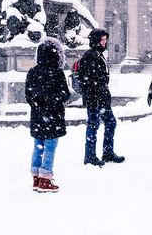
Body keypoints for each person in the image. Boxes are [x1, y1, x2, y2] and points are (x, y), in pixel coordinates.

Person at [25, 37, 71, 192]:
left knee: (38, 146)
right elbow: (64, 95)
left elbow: (28, 96)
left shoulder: (32, 72)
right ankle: (45, 178)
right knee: (50, 146)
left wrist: (38, 103)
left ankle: (36, 177)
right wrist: (52, 100)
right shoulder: (57, 73)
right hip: (53, 115)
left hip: (37, 115)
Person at [78, 28, 125, 166]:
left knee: (110, 123)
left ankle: (107, 152)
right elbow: (90, 79)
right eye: (102, 40)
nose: (105, 42)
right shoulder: (91, 55)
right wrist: (97, 93)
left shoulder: (97, 54)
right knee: (93, 125)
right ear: (96, 41)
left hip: (101, 97)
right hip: (95, 98)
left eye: (105, 40)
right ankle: (90, 155)